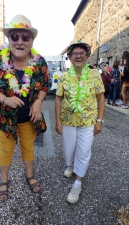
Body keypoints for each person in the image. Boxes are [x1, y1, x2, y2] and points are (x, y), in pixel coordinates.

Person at [0, 14, 49, 201]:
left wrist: (38, 101)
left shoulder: (39, 61)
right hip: (4, 118)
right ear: (9, 39)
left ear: (31, 40)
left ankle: (30, 175)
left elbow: (44, 85)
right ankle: (4, 180)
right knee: (6, 150)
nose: (20, 42)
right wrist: (5, 100)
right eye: (15, 37)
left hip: (29, 118)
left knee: (28, 149)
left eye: (25, 37)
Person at [55, 42, 105, 204]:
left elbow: (101, 98)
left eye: (82, 53)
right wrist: (57, 121)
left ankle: (78, 183)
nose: (78, 55)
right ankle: (70, 165)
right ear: (69, 57)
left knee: (83, 151)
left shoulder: (95, 75)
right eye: (74, 53)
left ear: (87, 56)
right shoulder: (63, 77)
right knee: (69, 150)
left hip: (88, 121)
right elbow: (58, 98)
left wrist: (99, 121)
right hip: (68, 120)